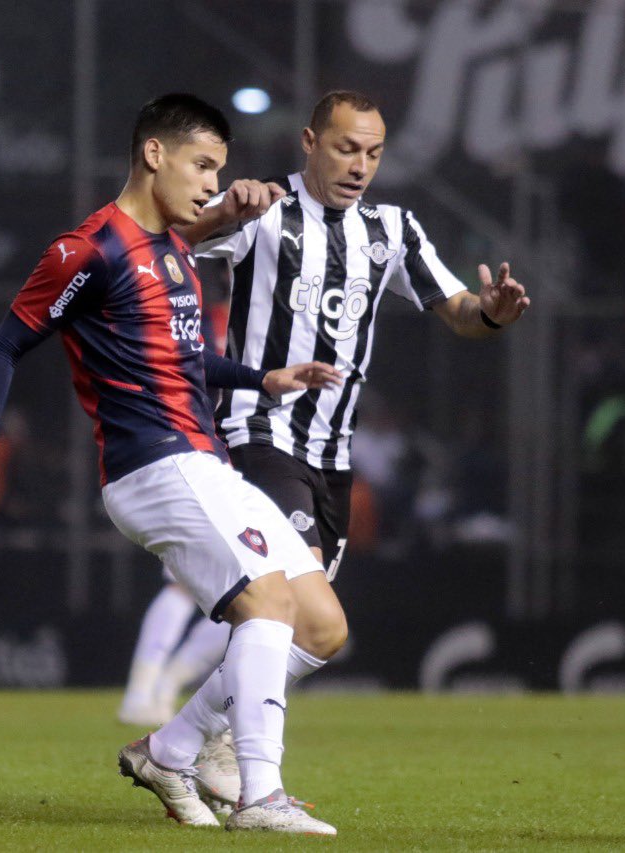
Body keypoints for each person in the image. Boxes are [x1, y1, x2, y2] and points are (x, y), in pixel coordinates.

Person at [0, 93, 344, 835]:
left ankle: (170, 748)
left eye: (219, 168)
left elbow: (186, 361)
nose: (211, 183)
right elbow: (4, 345)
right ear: (155, 154)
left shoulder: (174, 253)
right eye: (203, 165)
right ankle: (259, 791)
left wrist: (264, 380)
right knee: (266, 604)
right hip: (153, 467)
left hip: (206, 462)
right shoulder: (91, 248)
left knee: (320, 624)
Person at [126, 89, 530, 797]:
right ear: (310, 142)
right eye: (346, 148)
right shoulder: (265, 210)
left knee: (309, 634)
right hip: (260, 435)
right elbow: (161, 244)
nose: (360, 165)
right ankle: (253, 782)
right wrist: (224, 210)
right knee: (304, 614)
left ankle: (179, 744)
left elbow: (459, 312)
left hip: (332, 461)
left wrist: (491, 313)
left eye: (373, 153)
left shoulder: (392, 229)